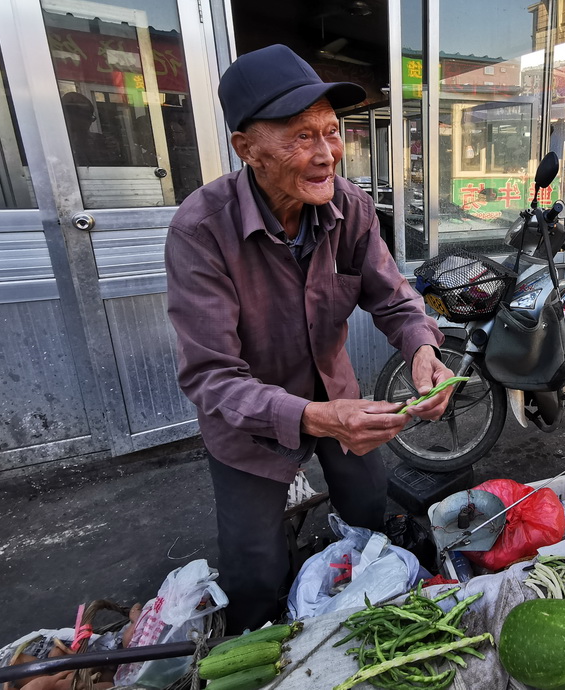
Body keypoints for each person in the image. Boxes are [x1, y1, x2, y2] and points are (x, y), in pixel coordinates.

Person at [164, 44, 454, 634]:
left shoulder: (349, 207)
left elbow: (393, 296)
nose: (326, 155)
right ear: (248, 149)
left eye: (331, 131)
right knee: (255, 571)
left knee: (370, 519)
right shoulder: (200, 230)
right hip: (248, 428)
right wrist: (320, 417)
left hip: (337, 392)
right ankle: (266, 645)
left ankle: (359, 624)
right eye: (301, 137)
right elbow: (210, 376)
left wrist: (423, 349)